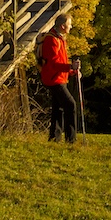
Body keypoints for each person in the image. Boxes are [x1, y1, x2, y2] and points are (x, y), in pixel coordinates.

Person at [40, 12, 80, 144]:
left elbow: (60, 62)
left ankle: (54, 138)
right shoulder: (52, 40)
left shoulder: (60, 39)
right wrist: (70, 67)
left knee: (59, 108)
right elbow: (54, 64)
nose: (71, 27)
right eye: (69, 24)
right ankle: (71, 140)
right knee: (70, 105)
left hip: (59, 78)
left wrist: (72, 71)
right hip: (54, 79)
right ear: (63, 26)